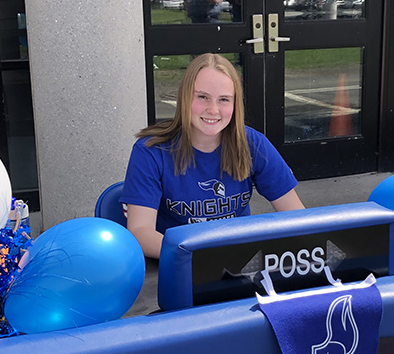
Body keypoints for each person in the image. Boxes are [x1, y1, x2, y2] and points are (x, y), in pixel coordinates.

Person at [121, 53, 304, 259]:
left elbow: (297, 217)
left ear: (235, 105)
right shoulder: (150, 150)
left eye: (224, 100)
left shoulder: (252, 143)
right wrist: (202, 257)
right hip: (178, 264)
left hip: (240, 264)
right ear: (184, 97)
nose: (213, 109)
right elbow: (140, 233)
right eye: (202, 97)